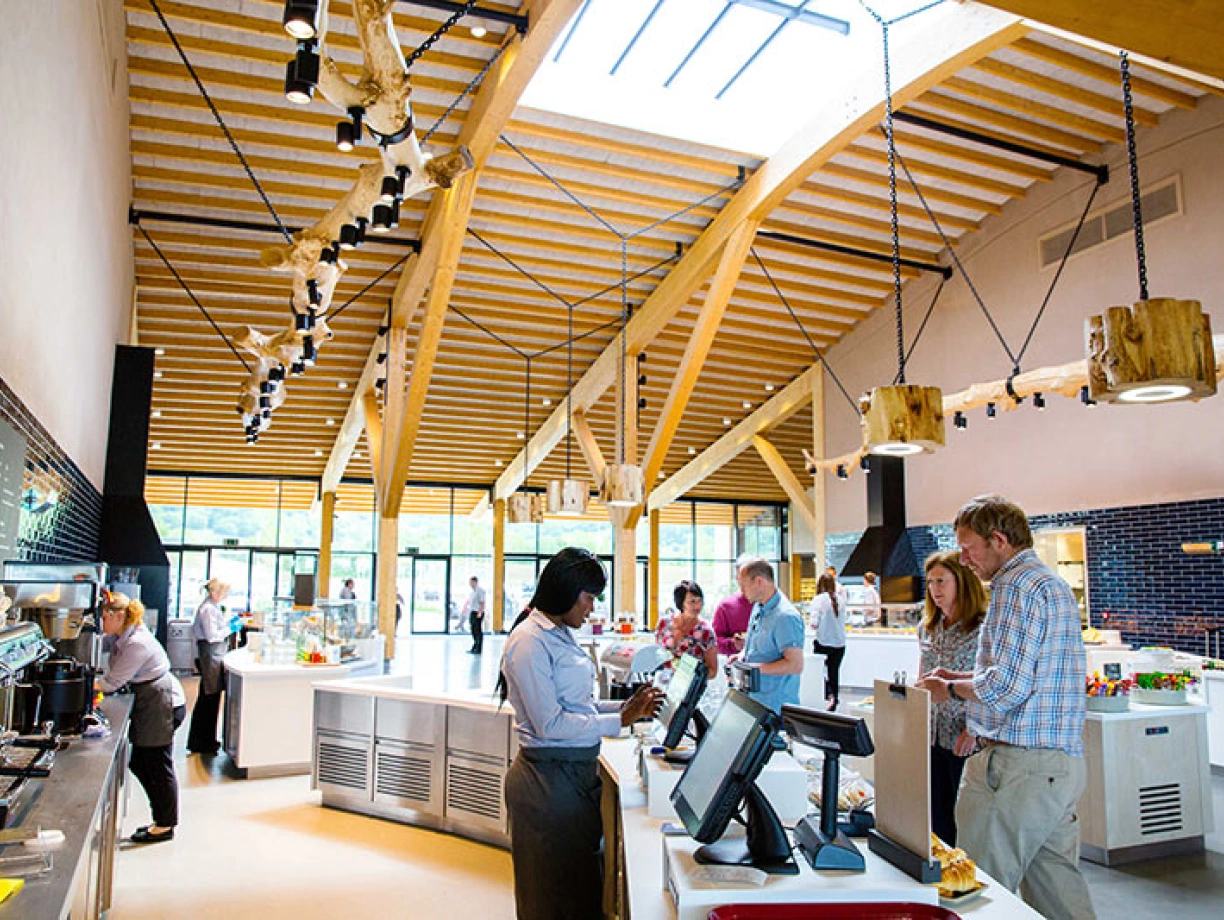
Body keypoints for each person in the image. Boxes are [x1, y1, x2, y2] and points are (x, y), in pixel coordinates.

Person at [918, 495, 1094, 920]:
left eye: (968, 547)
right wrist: (957, 678)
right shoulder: (1049, 583)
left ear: (998, 540)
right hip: (1057, 764)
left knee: (978, 893)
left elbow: (1007, 687)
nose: (964, 558)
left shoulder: (1014, 587)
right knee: (1057, 891)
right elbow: (1027, 678)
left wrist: (950, 692)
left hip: (1017, 768)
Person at [499, 547, 662, 920]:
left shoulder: (557, 633)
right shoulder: (529, 641)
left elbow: (578, 707)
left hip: (569, 779)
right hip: (547, 784)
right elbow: (551, 725)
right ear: (566, 590)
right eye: (589, 597)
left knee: (578, 892)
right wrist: (621, 720)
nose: (591, 608)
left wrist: (626, 708)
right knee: (551, 898)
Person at [97, 592, 186, 844]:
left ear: (118, 616)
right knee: (139, 761)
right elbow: (101, 643)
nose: (101, 622)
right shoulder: (124, 636)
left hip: (162, 703)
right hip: (151, 701)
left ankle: (165, 824)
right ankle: (161, 819)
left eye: (103, 617)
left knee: (157, 764)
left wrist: (87, 686)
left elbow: (113, 682)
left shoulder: (137, 643)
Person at [918, 550, 988, 846]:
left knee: (966, 824)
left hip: (965, 738)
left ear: (962, 582)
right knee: (937, 820)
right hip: (932, 737)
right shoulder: (928, 628)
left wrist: (973, 728)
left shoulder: (983, 629)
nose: (935, 590)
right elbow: (923, 678)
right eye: (931, 582)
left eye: (942, 581)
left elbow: (989, 685)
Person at [736, 557, 805, 713]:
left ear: (759, 581)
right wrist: (742, 656)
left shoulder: (785, 616)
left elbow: (795, 665)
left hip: (775, 708)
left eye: (743, 584)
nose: (741, 590)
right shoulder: (758, 607)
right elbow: (761, 649)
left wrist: (752, 668)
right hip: (755, 701)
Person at [187, 578, 229, 755]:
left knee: (209, 699)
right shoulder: (207, 609)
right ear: (215, 592)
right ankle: (203, 742)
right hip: (210, 656)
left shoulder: (212, 607)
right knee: (209, 699)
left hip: (213, 656)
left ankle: (205, 740)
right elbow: (212, 637)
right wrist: (231, 628)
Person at [654, 580, 719, 676]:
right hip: (662, 683)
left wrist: (690, 672)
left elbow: (712, 671)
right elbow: (656, 654)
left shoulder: (706, 632)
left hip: (690, 687)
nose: (697, 606)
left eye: (699, 600)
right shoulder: (664, 623)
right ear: (681, 603)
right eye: (692, 601)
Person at [809, 572, 847, 711]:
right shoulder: (840, 600)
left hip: (823, 642)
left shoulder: (819, 600)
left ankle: (828, 696)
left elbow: (814, 623)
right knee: (834, 672)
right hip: (840, 643)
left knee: (820, 672)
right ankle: (834, 698)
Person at [711, 585, 752, 657]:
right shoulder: (725, 606)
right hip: (738, 664)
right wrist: (733, 644)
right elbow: (714, 642)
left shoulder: (773, 606)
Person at [464, 576, 487, 655]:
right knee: (473, 630)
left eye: (471, 582)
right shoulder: (472, 592)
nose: (470, 584)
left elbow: (482, 603)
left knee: (478, 631)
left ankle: (478, 648)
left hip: (478, 612)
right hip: (472, 612)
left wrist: (480, 612)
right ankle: (475, 646)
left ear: (475, 582)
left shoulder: (480, 591)